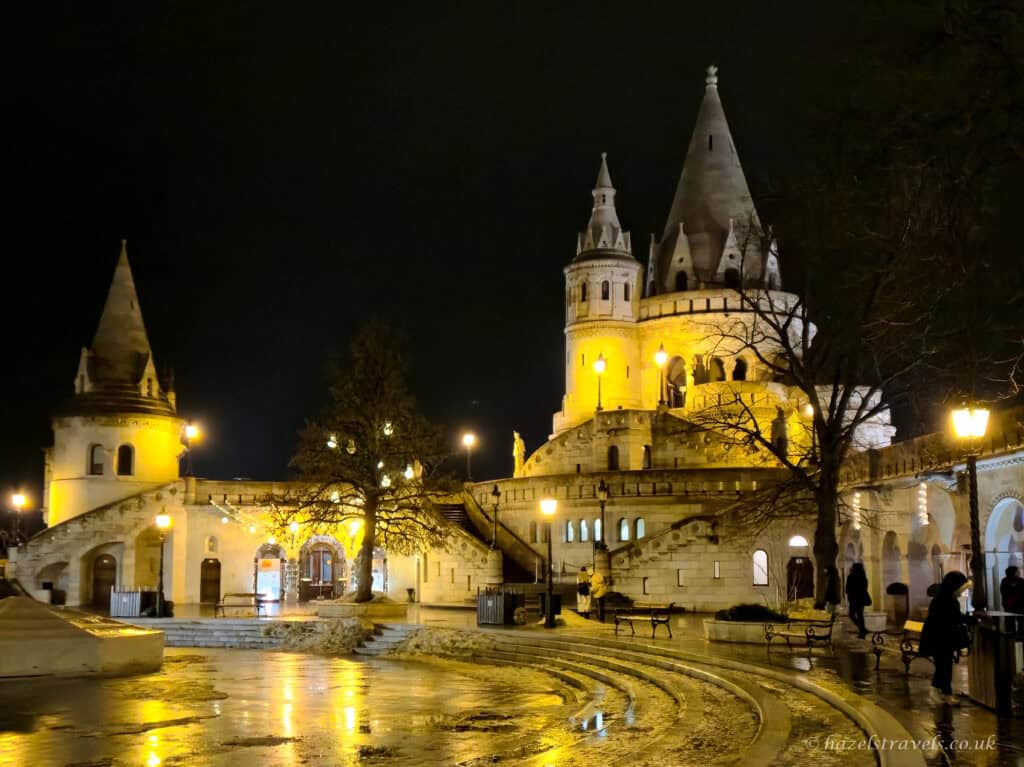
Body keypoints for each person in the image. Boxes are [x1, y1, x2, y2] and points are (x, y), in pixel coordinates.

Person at [920, 571, 974, 705]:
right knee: (943, 666)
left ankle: (945, 693)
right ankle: (937, 691)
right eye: (961, 589)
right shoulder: (945, 599)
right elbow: (953, 617)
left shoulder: (944, 597)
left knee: (945, 666)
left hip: (940, 638)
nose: (961, 592)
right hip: (940, 639)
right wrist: (972, 620)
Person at [845, 562, 871, 639]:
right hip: (861, 599)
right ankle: (862, 629)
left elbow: (847, 589)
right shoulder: (864, 577)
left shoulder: (850, 577)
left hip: (853, 599)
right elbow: (865, 589)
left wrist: (850, 596)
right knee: (860, 615)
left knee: (851, 615)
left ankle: (862, 629)